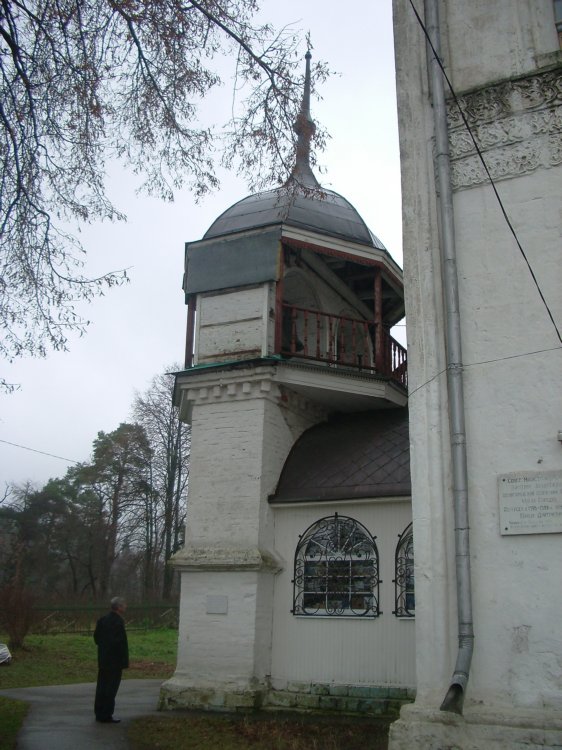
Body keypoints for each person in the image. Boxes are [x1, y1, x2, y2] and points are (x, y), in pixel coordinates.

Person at [93, 596, 129, 723]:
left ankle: (99, 712)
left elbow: (96, 638)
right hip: (115, 661)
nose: (126, 606)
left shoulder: (102, 620)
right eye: (124, 605)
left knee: (102, 686)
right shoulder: (118, 622)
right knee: (111, 687)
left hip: (103, 659)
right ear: (118, 607)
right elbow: (120, 643)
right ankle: (107, 714)